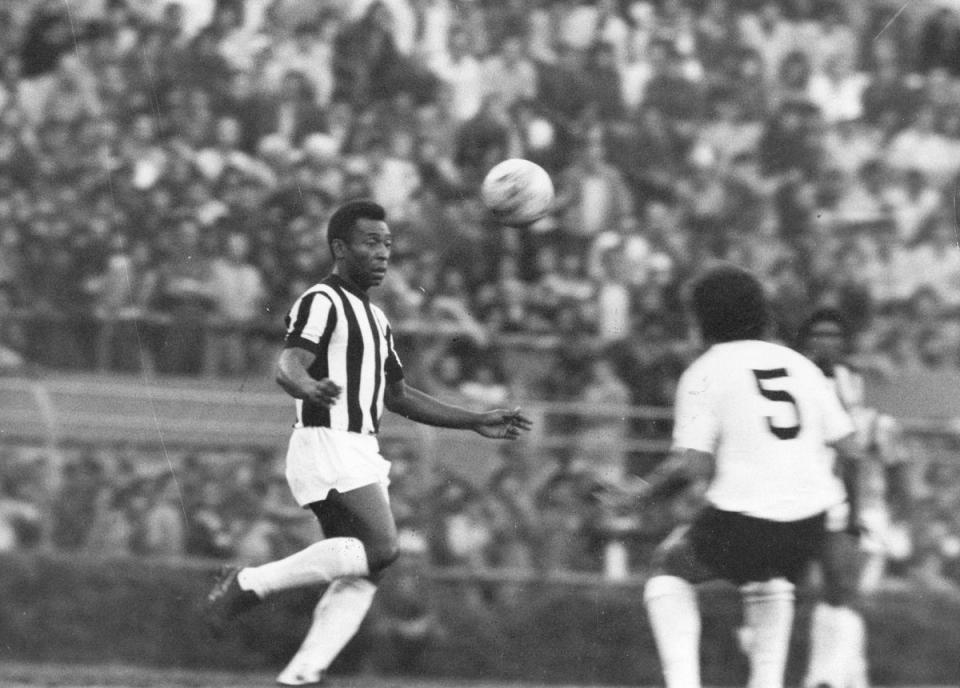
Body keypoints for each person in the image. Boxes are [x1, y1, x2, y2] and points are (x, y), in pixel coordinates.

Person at [203, 199, 532, 686]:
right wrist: (307, 387)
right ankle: (249, 583)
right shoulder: (321, 300)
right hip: (327, 440)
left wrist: (474, 420)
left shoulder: (376, 320)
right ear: (340, 248)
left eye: (387, 244)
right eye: (370, 242)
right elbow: (288, 363)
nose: (382, 253)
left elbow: (398, 396)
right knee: (381, 548)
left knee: (364, 569)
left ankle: (301, 674)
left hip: (359, 447)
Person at [624, 265, 862, 688]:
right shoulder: (799, 364)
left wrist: (641, 493)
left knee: (669, 567)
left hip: (746, 518)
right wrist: (850, 520)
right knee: (769, 575)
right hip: (811, 522)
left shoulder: (705, 370)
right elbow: (851, 448)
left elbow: (692, 465)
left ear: (701, 320)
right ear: (761, 313)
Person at [797, 308, 885, 688]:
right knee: (785, 587)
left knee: (840, 586)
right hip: (795, 490)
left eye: (834, 335)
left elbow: (852, 445)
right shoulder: (794, 375)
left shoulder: (851, 380)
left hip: (833, 494)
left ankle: (835, 676)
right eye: (819, 334)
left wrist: (853, 507)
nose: (826, 342)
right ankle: (831, 674)